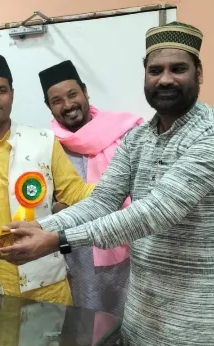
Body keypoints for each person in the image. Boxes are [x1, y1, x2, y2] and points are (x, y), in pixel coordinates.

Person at [0, 22, 214, 346]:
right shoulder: (139, 138)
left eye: (178, 69)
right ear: (145, 76)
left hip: (197, 310)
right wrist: (41, 226)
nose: (165, 79)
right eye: (155, 70)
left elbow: (154, 212)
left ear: (199, 73)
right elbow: (102, 200)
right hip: (145, 303)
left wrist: (57, 240)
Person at [0, 54, 94, 305]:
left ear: (12, 95)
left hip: (45, 282)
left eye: (2, 90)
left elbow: (74, 192)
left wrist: (120, 190)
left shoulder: (44, 141)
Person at [38, 60, 143, 316]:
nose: (68, 105)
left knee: (132, 323)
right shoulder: (47, 146)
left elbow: (143, 186)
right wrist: (57, 207)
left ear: (85, 92)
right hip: (78, 256)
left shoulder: (126, 132)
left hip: (130, 249)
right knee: (88, 327)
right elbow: (43, 202)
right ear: (49, 106)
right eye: (57, 101)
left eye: (72, 94)